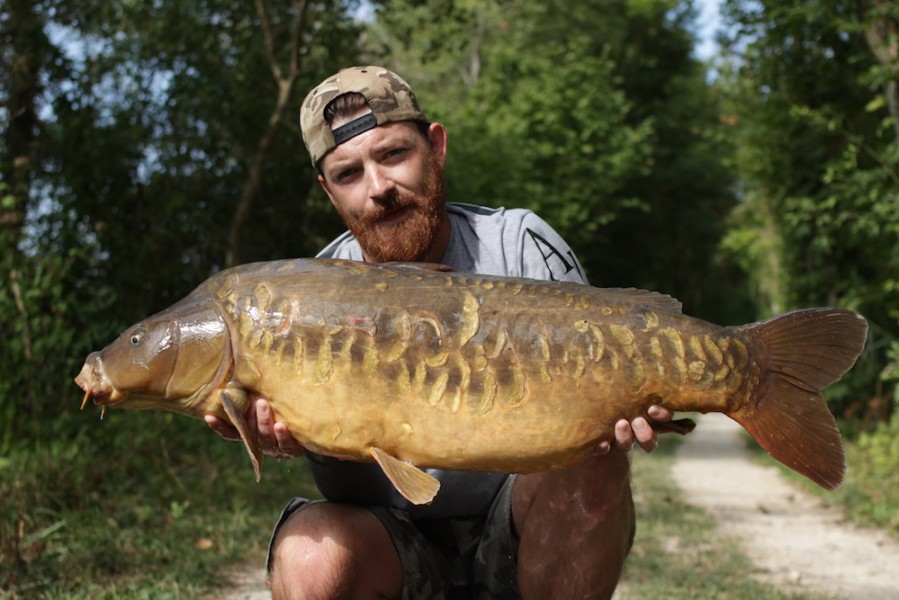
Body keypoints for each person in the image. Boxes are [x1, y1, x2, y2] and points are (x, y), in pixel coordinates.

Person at [206, 66, 674, 599]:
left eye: (392, 155)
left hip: (523, 531)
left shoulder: (519, 246)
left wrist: (628, 402)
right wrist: (278, 437)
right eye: (349, 174)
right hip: (394, 545)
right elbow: (325, 478)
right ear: (328, 192)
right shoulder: (306, 298)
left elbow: (613, 370)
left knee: (593, 457)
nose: (378, 189)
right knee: (311, 556)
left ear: (436, 147)